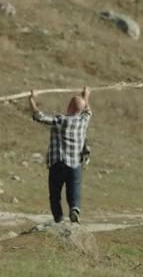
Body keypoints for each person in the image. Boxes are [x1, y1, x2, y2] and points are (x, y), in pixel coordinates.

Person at [29, 87, 92, 224]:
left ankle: (59, 219)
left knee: (55, 195)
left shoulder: (61, 120)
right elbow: (87, 111)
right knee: (74, 191)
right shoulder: (83, 121)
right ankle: (74, 209)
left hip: (58, 162)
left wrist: (32, 100)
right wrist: (86, 96)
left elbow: (39, 116)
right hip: (75, 164)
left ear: (69, 106)